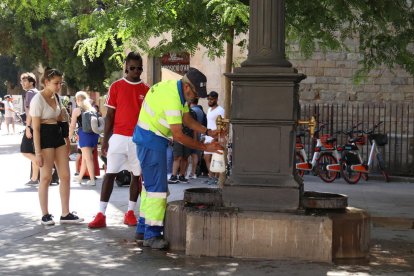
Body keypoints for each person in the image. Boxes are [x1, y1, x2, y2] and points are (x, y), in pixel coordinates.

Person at [133, 67, 223, 249]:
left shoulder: (175, 89)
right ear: (188, 87)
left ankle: (142, 230)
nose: (196, 98)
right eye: (196, 93)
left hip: (149, 139)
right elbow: (179, 135)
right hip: (152, 140)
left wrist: (207, 132)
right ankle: (152, 234)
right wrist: (205, 147)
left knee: (150, 188)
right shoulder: (173, 97)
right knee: (157, 190)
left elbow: (187, 119)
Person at [88, 52, 149, 229]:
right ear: (126, 67)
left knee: (136, 176)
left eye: (139, 68)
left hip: (138, 139)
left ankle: (130, 212)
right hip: (118, 137)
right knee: (110, 174)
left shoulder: (146, 89)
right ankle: (101, 214)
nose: (136, 71)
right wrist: (105, 141)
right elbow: (110, 116)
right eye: (132, 68)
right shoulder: (116, 86)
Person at [30, 68, 83, 225]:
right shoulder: (37, 100)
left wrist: (67, 140)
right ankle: (45, 214)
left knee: (65, 176)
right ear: (46, 82)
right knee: (45, 177)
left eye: (61, 83)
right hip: (44, 136)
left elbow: (61, 119)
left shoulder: (57, 97)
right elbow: (36, 129)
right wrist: (38, 153)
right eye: (56, 83)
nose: (59, 86)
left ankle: (65, 213)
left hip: (57, 135)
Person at [69, 91, 100, 186]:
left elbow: (73, 125)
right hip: (94, 135)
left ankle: (92, 180)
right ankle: (80, 178)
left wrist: (69, 136)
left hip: (84, 135)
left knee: (88, 158)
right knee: (86, 158)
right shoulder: (92, 109)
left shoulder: (77, 111)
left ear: (78, 100)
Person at [20, 73, 41, 186]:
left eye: (25, 81)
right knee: (35, 152)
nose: (23, 83)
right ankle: (34, 179)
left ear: (32, 82)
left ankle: (43, 168)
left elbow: (30, 112)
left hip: (32, 126)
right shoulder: (37, 92)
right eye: (21, 81)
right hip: (39, 126)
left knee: (25, 151)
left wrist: (28, 127)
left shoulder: (29, 93)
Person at [167, 108, 197, 184]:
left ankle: (182, 175)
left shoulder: (192, 113)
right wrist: (171, 136)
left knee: (185, 157)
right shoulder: (177, 110)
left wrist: (195, 139)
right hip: (178, 136)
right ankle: (174, 176)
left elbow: (195, 127)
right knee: (177, 156)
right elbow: (171, 123)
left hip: (188, 137)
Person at [203, 91, 225, 185]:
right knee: (206, 157)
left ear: (216, 99)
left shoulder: (220, 110)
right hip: (208, 136)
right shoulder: (209, 110)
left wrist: (216, 137)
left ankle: (217, 177)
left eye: (211, 99)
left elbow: (223, 125)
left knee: (216, 157)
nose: (209, 101)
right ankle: (211, 176)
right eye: (208, 99)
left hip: (216, 136)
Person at [188, 98, 207, 179]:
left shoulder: (192, 111)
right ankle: (194, 172)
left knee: (189, 154)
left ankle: (190, 172)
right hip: (199, 132)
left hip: (192, 134)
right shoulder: (200, 111)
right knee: (195, 154)